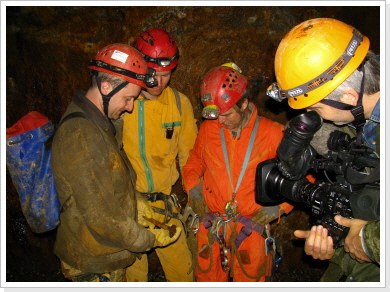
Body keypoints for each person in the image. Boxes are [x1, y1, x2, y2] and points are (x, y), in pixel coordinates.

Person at [51, 43, 182, 282]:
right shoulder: (81, 136)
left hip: (102, 252)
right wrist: (147, 239)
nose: (130, 107)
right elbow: (103, 217)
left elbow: (111, 180)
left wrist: (136, 203)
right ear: (106, 86)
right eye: (127, 98)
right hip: (93, 263)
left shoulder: (96, 123)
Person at [266, 18, 380, 282]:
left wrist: (369, 240)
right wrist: (338, 231)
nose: (310, 113)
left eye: (314, 107)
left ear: (349, 97)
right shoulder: (363, 122)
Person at [182, 63, 294, 282]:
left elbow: (300, 177)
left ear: (243, 103)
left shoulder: (272, 134)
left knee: (251, 279)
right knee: (207, 279)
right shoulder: (209, 129)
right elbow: (195, 161)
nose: (219, 121)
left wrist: (279, 207)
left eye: (225, 114)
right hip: (212, 224)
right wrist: (193, 188)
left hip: (250, 227)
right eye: (215, 115)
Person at [121, 28, 198, 282]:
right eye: (155, 75)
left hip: (165, 206)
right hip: (129, 207)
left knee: (183, 273)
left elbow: (190, 157)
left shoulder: (179, 104)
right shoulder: (121, 103)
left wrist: (195, 197)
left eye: (167, 75)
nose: (161, 82)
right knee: (133, 275)